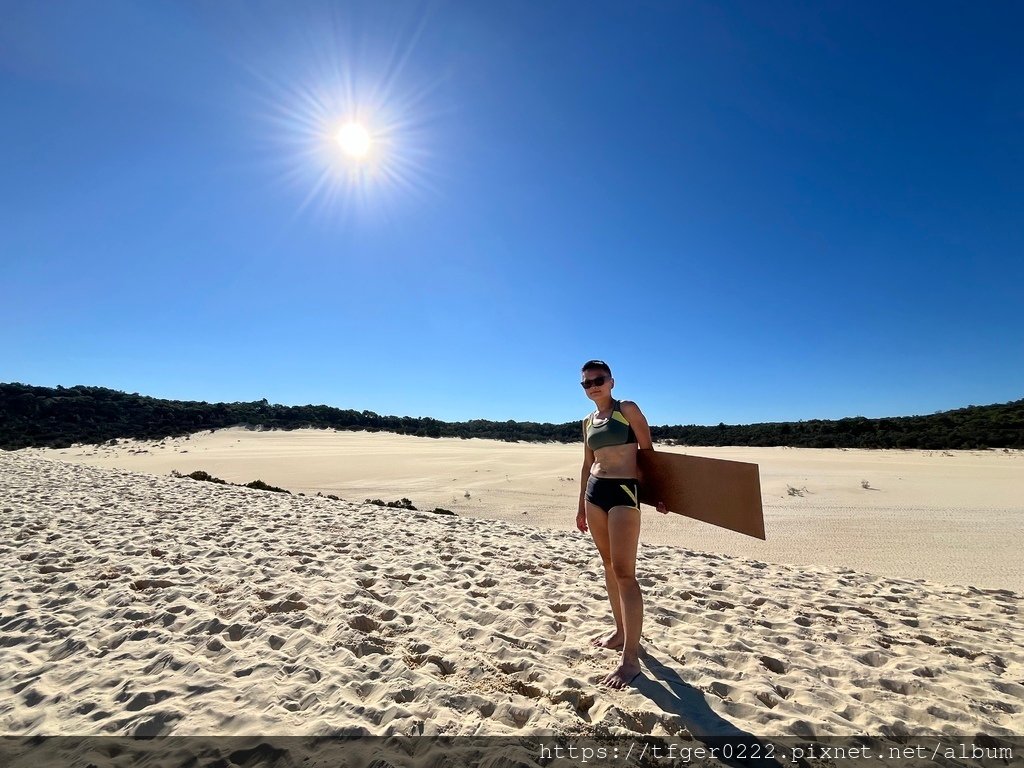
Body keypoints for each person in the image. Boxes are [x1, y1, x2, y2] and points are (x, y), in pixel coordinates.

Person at [575, 359, 667, 688]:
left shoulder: (626, 409)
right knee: (608, 565)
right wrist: (580, 506)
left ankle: (631, 660)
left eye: (598, 380)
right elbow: (588, 464)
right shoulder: (587, 421)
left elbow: (648, 451)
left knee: (626, 573)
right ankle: (619, 632)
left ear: (611, 381)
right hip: (595, 494)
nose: (593, 386)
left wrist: (658, 494)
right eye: (587, 383)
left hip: (624, 491)